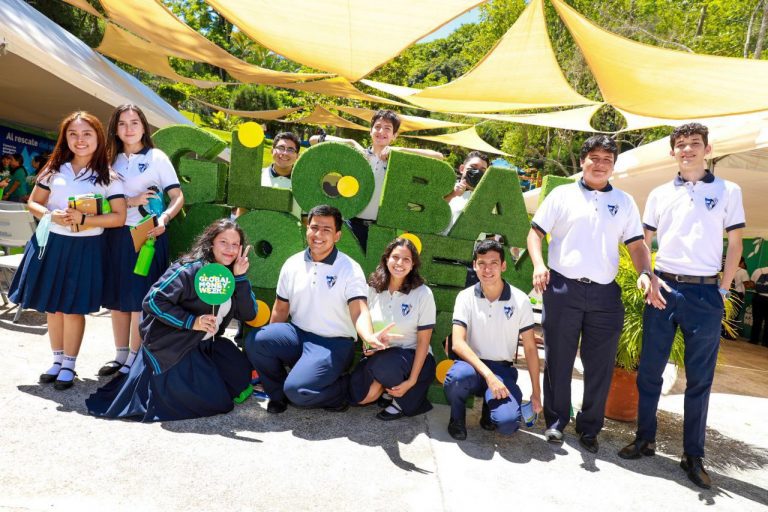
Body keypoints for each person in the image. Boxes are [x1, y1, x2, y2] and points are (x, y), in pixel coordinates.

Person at [618, 123, 745, 490]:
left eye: (694, 143)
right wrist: (646, 276)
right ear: (672, 152)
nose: (687, 149)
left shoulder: (728, 191)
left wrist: (723, 290)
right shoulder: (659, 193)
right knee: (649, 371)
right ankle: (645, 439)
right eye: (681, 144)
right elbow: (643, 240)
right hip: (663, 288)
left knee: (700, 381)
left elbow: (736, 244)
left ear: (707, 149)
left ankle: (693, 455)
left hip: (705, 295)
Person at [527, 135, 653, 453]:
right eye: (594, 158)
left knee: (600, 365)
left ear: (614, 166)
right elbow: (535, 233)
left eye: (607, 160)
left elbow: (636, 245)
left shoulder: (624, 202)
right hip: (562, 288)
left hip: (605, 295)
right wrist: (539, 264)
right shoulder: (562, 195)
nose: (600, 164)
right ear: (583, 161)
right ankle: (556, 423)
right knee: (558, 359)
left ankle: (589, 428)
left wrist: (645, 273)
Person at [86, 219, 257, 421]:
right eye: (223, 242)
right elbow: (152, 301)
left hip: (205, 344)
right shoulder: (188, 269)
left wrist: (240, 278)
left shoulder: (232, 274)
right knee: (216, 402)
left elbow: (248, 314)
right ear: (211, 243)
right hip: (173, 346)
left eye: (235, 244)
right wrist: (192, 321)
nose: (230, 249)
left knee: (239, 376)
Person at [9, 111, 126, 389]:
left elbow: (119, 217)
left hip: (86, 247)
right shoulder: (53, 169)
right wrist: (52, 216)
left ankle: (69, 365)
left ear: (98, 137)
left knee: (73, 308)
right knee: (54, 307)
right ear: (65, 138)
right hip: (51, 243)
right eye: (73, 134)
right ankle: (57, 360)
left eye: (87, 134)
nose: (80, 139)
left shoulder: (108, 176)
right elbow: (33, 203)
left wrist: (85, 220)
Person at [245, 204, 396, 414]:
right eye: (314, 227)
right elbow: (280, 309)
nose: (318, 234)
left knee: (298, 391)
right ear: (307, 229)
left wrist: (369, 336)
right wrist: (272, 343)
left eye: (326, 229)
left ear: (337, 236)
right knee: (257, 340)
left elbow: (359, 309)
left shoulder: (349, 268)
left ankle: (342, 389)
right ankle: (278, 395)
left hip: (333, 344)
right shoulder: (292, 264)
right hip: (298, 335)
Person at [99, 104, 184, 380]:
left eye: (134, 122)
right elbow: (100, 200)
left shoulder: (157, 157)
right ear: (115, 129)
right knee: (117, 297)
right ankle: (120, 355)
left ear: (144, 126)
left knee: (138, 299)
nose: (129, 129)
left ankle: (135, 359)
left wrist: (165, 219)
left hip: (147, 235)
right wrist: (130, 201)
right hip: (114, 234)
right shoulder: (108, 160)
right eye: (122, 123)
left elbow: (177, 197)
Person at [443, 239, 542, 440]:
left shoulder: (520, 300)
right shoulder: (465, 297)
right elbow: (458, 343)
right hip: (471, 366)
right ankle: (456, 419)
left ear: (503, 266)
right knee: (456, 379)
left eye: (493, 263)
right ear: (474, 265)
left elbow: (531, 349)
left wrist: (536, 393)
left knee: (508, 424)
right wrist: (489, 376)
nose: (487, 269)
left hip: (502, 370)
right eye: (482, 263)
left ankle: (489, 411)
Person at [315, 110, 443, 248]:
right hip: (351, 224)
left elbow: (438, 156)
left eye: (387, 128)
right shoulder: (358, 155)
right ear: (370, 131)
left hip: (382, 229)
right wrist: (352, 143)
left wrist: (399, 151)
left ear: (394, 135)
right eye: (377, 127)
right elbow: (313, 140)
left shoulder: (400, 160)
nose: (381, 131)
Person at [348, 237, 436, 420]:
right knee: (360, 398)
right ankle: (386, 388)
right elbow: (365, 327)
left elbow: (423, 341)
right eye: (395, 257)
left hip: (412, 357)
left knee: (384, 364)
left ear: (413, 265)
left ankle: (400, 400)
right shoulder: (372, 289)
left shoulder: (423, 293)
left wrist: (411, 381)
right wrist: (369, 344)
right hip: (379, 356)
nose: (399, 263)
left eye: (406, 259)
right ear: (386, 258)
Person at [235, 131, 302, 219]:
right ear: (272, 150)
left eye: (290, 149)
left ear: (297, 156)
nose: (284, 153)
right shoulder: (257, 177)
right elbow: (243, 210)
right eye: (281, 147)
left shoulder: (302, 183)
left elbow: (306, 220)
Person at [442, 151, 491, 233]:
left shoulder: (486, 199)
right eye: (473, 166)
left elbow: (488, 233)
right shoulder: (445, 188)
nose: (478, 172)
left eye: (482, 170)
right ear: (462, 168)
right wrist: (452, 194)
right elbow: (430, 210)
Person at [749, 264, 768, 346]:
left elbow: (751, 284)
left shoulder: (758, 270)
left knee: (757, 320)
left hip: (758, 298)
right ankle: (766, 342)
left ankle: (754, 339)